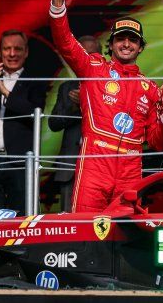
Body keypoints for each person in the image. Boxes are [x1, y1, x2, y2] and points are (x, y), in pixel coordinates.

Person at [49, 0, 163, 212]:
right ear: (112, 43)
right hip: (94, 167)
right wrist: (58, 3)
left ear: (140, 46)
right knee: (85, 234)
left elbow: (158, 142)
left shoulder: (150, 89)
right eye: (121, 38)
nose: (126, 44)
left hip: (130, 172)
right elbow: (66, 43)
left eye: (133, 40)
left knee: (126, 238)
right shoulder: (93, 69)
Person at [0, 29, 48, 213]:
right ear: (0, 52)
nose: (12, 54)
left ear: (26, 52)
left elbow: (32, 111)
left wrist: (2, 89)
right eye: (7, 49)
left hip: (19, 160)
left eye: (17, 49)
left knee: (20, 217)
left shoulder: (36, 79)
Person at [48, 35, 101, 212]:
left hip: (99, 167)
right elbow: (53, 123)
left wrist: (86, 101)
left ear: (100, 58)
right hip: (70, 166)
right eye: (82, 53)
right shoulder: (66, 87)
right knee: (67, 221)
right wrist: (75, 108)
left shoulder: (108, 86)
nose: (85, 58)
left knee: (99, 221)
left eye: (91, 54)